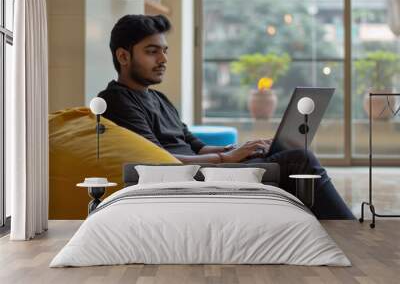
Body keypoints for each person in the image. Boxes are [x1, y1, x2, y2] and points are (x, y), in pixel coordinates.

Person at [98, 14, 354, 220]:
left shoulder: (158, 98)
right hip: (189, 179)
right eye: (152, 51)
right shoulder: (116, 100)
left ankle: (313, 227)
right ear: (123, 56)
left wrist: (239, 149)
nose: (163, 59)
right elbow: (154, 161)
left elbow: (195, 144)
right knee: (299, 159)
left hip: (206, 169)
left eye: (164, 50)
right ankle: (349, 230)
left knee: (284, 153)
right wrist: (225, 158)